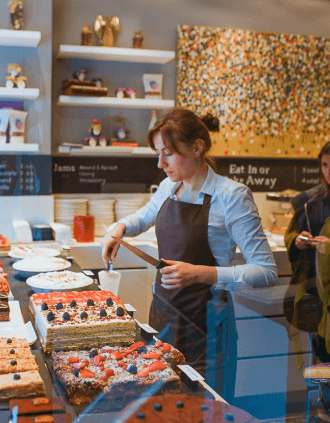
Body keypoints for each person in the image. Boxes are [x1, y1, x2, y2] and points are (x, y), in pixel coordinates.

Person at [102, 108, 277, 398]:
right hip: (163, 316)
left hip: (206, 325)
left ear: (197, 148)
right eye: (158, 153)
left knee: (202, 408)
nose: (161, 163)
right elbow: (146, 215)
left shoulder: (232, 197)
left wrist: (199, 273)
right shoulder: (169, 187)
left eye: (168, 153)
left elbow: (266, 270)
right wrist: (120, 228)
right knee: (161, 404)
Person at [285, 137, 330, 362]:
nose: (329, 172)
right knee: (320, 354)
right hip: (317, 289)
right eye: (324, 165)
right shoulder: (310, 200)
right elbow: (290, 234)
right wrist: (298, 240)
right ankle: (325, 395)